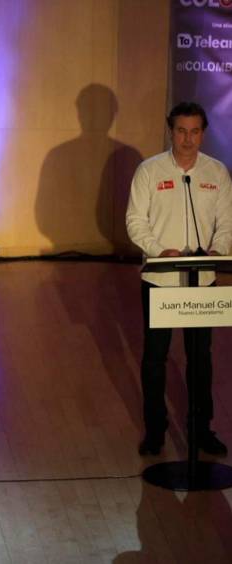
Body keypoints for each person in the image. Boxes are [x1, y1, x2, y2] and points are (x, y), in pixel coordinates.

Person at [126, 102, 232, 456]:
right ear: (170, 130)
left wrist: (217, 251)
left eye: (195, 131)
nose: (188, 139)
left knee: (200, 357)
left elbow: (227, 224)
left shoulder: (216, 173)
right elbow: (135, 221)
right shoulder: (149, 171)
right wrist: (157, 250)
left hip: (201, 282)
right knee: (155, 357)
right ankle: (156, 430)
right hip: (161, 280)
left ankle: (201, 430)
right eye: (181, 131)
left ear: (203, 132)